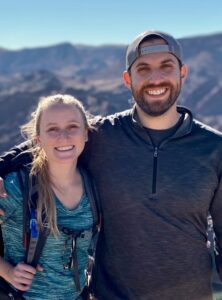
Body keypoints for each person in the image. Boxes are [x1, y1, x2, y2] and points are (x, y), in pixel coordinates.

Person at [0, 30, 222, 300]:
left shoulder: (214, 148)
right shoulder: (102, 135)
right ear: (128, 79)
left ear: (182, 73)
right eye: (143, 69)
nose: (155, 78)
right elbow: (48, 143)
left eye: (166, 66)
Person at [0, 94, 99, 300]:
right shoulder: (17, 188)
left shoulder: (94, 185)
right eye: (52, 129)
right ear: (38, 140)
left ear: (86, 134)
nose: (63, 137)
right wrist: (6, 271)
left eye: (72, 126)